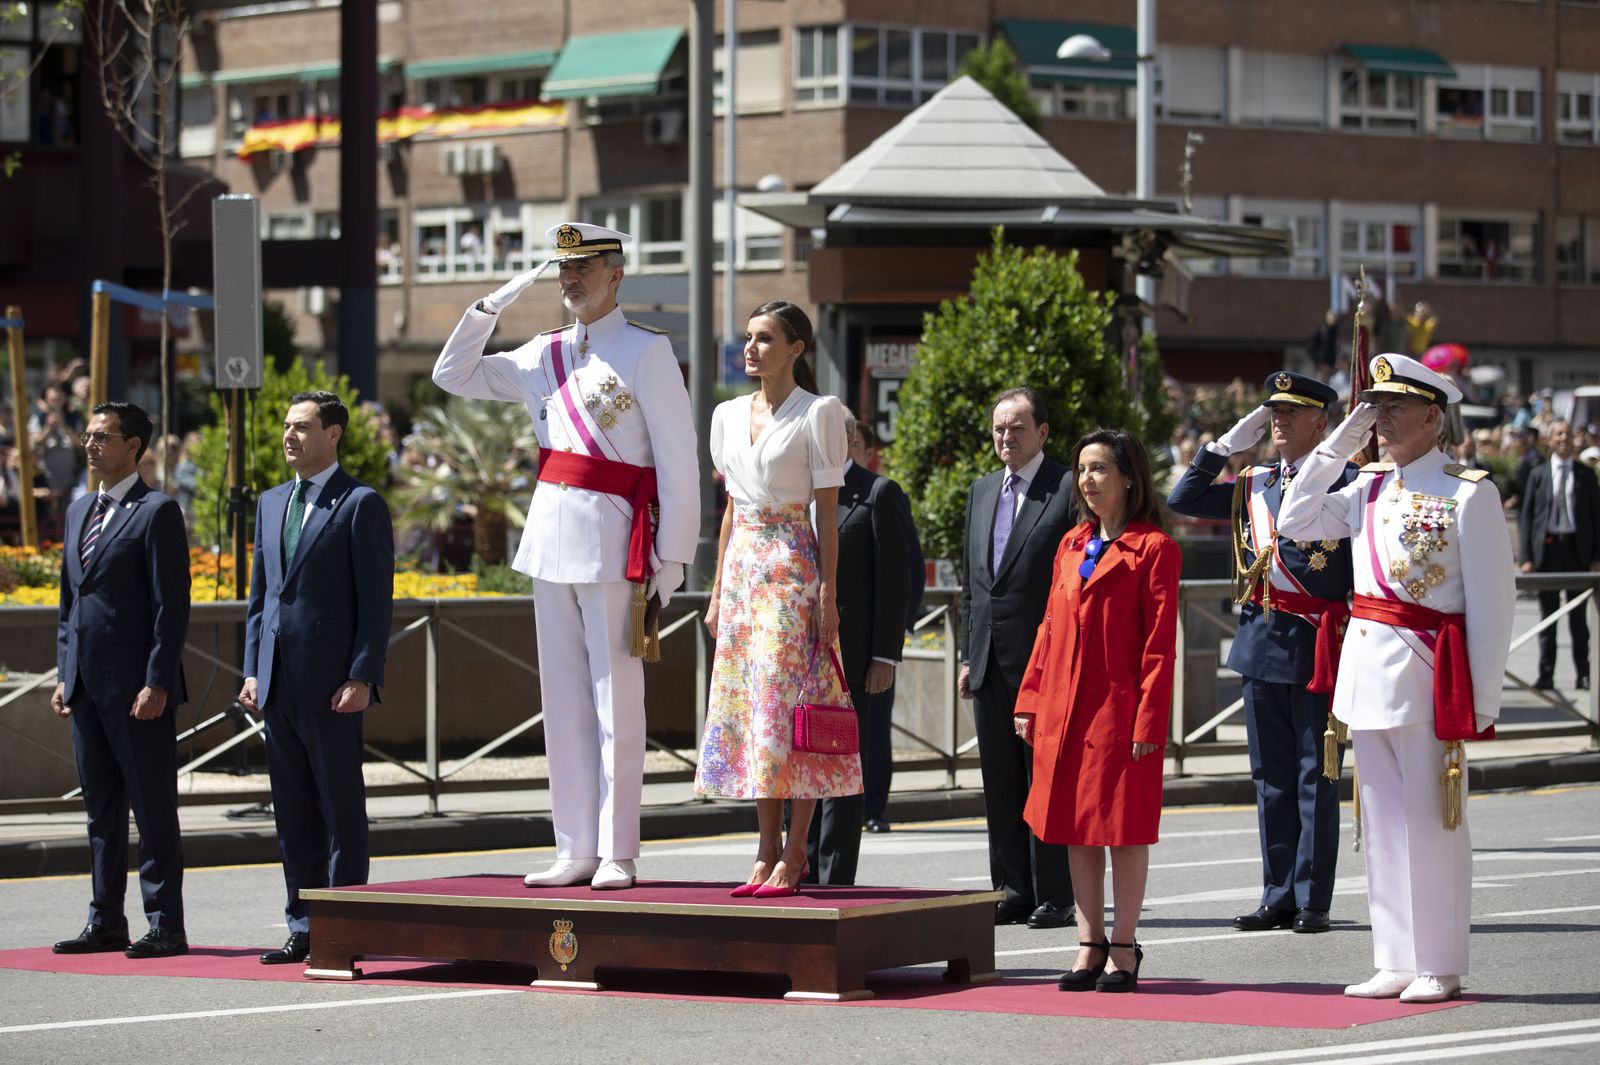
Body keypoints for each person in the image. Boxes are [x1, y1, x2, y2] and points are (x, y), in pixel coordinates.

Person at [433, 222, 700, 891]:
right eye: (561, 269)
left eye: (583, 268)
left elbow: (678, 463)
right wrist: (497, 299)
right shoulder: (542, 353)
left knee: (619, 706)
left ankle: (618, 849)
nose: (569, 280)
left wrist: (672, 561)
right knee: (564, 704)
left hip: (615, 543)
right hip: (550, 541)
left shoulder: (646, 352)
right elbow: (451, 372)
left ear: (616, 275)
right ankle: (574, 845)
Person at [1278, 353, 1516, 1003]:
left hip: (1430, 675)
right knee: (1380, 825)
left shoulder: (1469, 490)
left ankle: (1439, 959)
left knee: (1434, 825)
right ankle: (1395, 956)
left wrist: (1482, 699)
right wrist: (1342, 439)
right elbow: (1296, 518)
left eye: (1393, 409)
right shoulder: (1367, 486)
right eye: (1374, 408)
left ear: (1432, 417)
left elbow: (1494, 604)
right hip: (1367, 674)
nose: (1379, 420)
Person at [1168, 373, 1357, 935]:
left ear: (1321, 424)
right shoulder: (1252, 481)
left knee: (1313, 777)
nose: (1277, 421)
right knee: (1269, 778)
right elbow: (1182, 498)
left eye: (1291, 413)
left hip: (1317, 644)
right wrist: (1224, 446)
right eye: (1272, 412)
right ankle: (1276, 894)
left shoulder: (1347, 480)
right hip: (1259, 642)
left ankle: (1310, 899)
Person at [696, 300, 861, 898]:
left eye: (765, 339)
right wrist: (717, 593)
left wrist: (828, 593)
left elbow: (828, 513)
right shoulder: (725, 414)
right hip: (743, 574)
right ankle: (764, 853)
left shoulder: (819, 414)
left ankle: (796, 853)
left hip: (793, 568)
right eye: (748, 338)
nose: (751, 348)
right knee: (754, 714)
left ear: (796, 348)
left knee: (792, 712)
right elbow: (731, 511)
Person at [1015, 428, 1180, 993]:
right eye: (1082, 470)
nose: (1087, 480)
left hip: (1118, 708)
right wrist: (1030, 698)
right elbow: (1049, 627)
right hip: (1064, 705)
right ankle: (1089, 943)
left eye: (1099, 469)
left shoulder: (1155, 548)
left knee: (1122, 830)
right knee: (1074, 827)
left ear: (1129, 477)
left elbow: (1161, 646)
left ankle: (1126, 945)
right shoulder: (1070, 545)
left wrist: (1150, 721)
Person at [240, 391, 394, 965]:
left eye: (302, 426)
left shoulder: (360, 504)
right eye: (286, 425)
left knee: (339, 810)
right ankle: (302, 925)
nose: (289, 435)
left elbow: (376, 603)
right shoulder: (272, 501)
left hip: (332, 687)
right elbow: (261, 599)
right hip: (278, 684)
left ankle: (346, 923)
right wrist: (254, 669)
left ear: (333, 434)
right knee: (293, 813)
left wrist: (362, 676)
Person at [51, 402, 191, 959]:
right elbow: (69, 604)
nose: (90, 446)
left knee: (153, 810)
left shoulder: (157, 512)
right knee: (101, 811)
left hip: (138, 693)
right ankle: (106, 919)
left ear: (133, 446)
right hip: (86, 686)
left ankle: (165, 924)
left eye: (102, 437)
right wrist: (65, 674)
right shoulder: (78, 509)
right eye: (87, 436)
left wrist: (157, 681)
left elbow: (170, 607)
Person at [959, 388, 1075, 930]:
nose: (1007, 437)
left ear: (1043, 432)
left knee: (1043, 781)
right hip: (988, 661)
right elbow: (973, 585)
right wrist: (967, 653)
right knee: (1000, 780)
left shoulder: (1068, 489)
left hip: (1044, 662)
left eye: (1018, 428)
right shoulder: (983, 490)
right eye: (1000, 428)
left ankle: (1055, 892)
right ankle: (1010, 888)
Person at [802, 407, 912, 885]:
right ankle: (800, 865)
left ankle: (835, 877)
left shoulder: (877, 493)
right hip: (799, 654)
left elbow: (897, 580)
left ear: (847, 439)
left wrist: (885, 656)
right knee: (801, 762)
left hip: (855, 654)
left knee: (844, 766)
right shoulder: (798, 491)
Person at [858, 421, 925, 834]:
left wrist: (894, 635)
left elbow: (908, 569)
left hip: (874, 640)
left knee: (873, 730)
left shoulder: (881, 493)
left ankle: (873, 808)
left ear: (868, 450)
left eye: (854, 443)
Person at [1519, 420, 1600, 690]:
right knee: (1548, 618)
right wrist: (1527, 557)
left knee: (1579, 620)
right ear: (1550, 440)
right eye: (1559, 434)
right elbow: (1527, 517)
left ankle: (1584, 674)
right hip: (1548, 552)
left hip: (1577, 551)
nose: (1564, 438)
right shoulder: (1539, 474)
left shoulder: (1585, 474)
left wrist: (1596, 555)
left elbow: (1596, 517)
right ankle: (1546, 674)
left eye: (1567, 433)